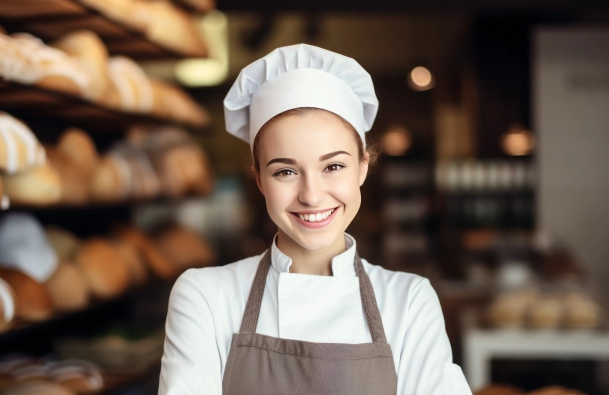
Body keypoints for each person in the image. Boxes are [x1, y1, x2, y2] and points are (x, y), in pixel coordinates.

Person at [158, 44, 472, 395]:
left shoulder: (409, 302)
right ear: (259, 178)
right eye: (286, 171)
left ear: (363, 167)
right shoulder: (206, 298)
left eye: (333, 166)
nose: (311, 194)